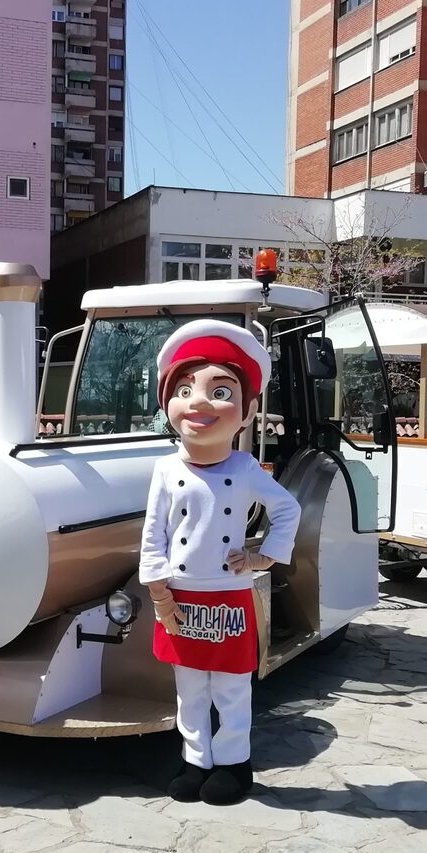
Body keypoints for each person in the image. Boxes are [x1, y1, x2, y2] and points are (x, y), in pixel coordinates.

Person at [139, 321, 300, 807]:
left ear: (247, 411)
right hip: (180, 595)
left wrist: (263, 555)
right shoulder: (165, 468)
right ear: (167, 404)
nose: (199, 403)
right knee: (189, 688)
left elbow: (287, 508)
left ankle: (233, 764)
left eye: (220, 391)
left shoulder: (245, 468)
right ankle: (195, 762)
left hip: (229, 593)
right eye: (184, 390)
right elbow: (153, 534)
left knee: (231, 688)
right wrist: (159, 593)